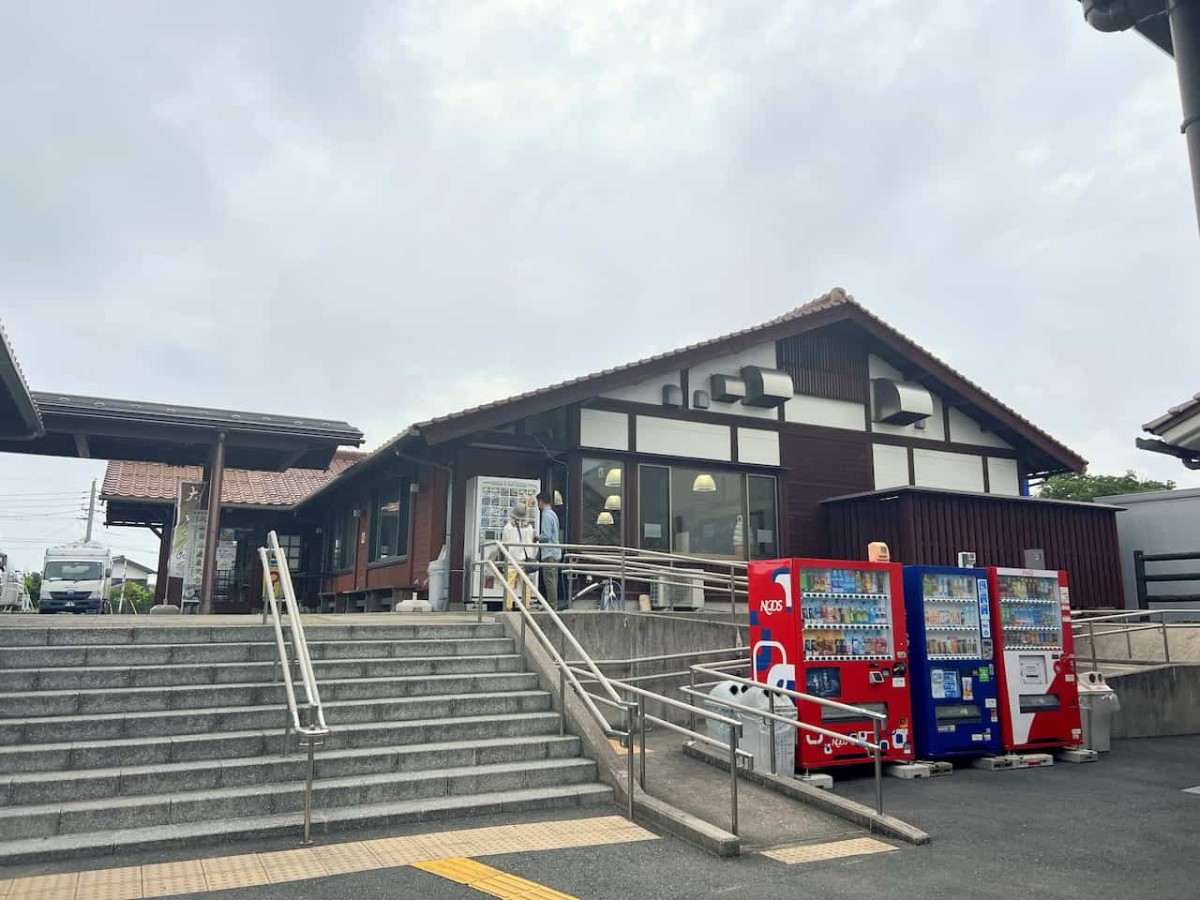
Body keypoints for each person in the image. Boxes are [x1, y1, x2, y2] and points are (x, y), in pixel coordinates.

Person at [500, 504, 536, 611]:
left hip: (511, 559)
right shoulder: (529, 527)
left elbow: (504, 542)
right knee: (526, 584)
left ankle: (508, 606)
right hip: (525, 560)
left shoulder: (508, 526)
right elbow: (531, 543)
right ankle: (526, 605)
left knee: (509, 584)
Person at [535, 491, 563, 610]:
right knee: (553, 580)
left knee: (549, 580)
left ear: (541, 501)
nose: (537, 505)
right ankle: (552, 604)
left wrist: (537, 537)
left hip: (549, 552)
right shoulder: (553, 514)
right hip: (556, 552)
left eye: (537, 502)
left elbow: (546, 536)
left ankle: (552, 606)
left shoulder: (546, 515)